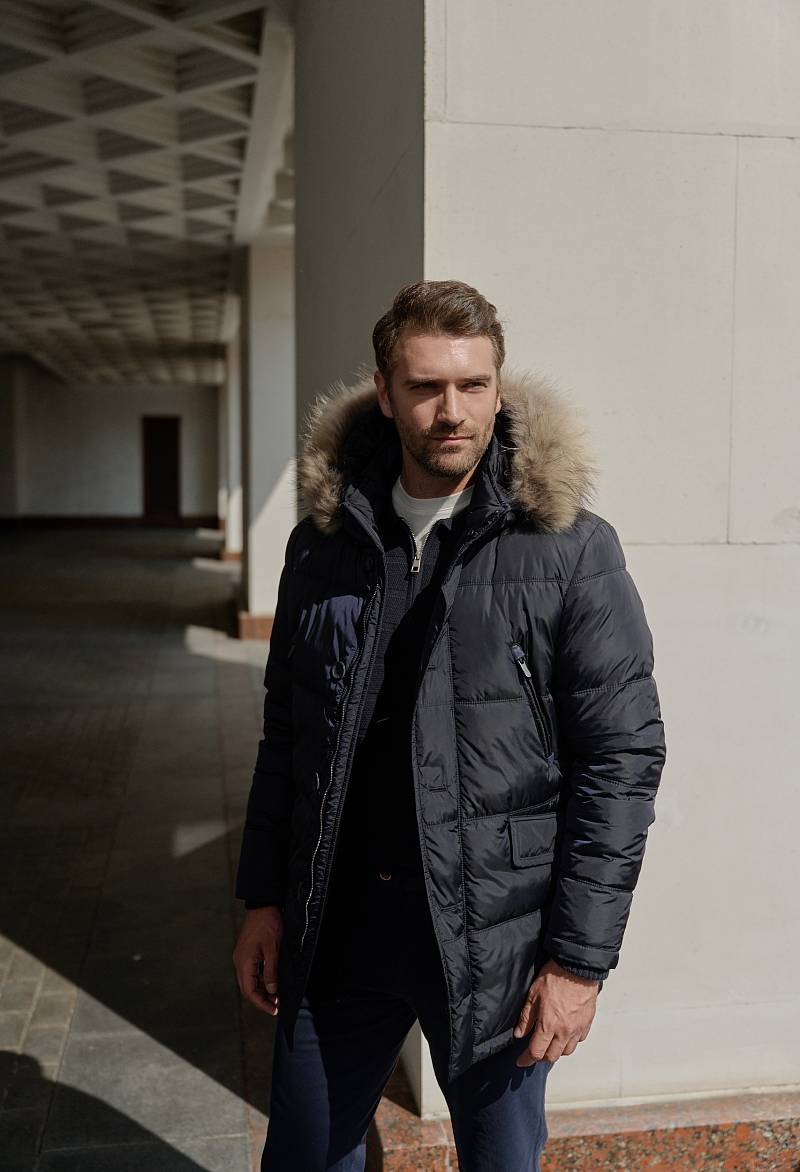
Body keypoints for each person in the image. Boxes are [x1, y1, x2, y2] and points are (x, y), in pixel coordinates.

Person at [232, 279, 667, 1171]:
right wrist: (263, 898)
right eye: (426, 386)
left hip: (496, 944)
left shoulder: (569, 549)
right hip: (340, 928)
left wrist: (578, 963)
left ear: (498, 388)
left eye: (473, 385)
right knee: (304, 1157)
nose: (452, 411)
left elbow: (621, 762)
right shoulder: (322, 543)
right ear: (385, 393)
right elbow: (288, 733)